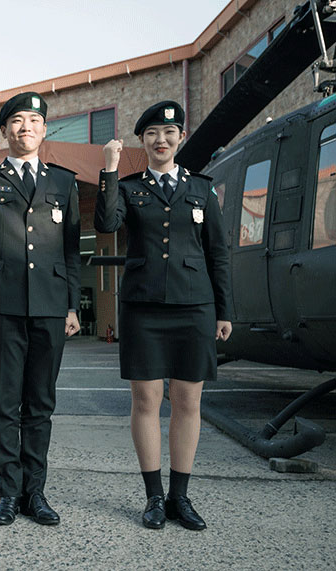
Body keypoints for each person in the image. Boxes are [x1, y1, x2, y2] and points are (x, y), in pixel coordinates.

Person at [95, 100, 233, 531]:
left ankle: (180, 497)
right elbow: (106, 223)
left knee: (188, 401)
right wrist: (110, 170)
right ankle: (154, 497)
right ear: (142, 140)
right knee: (146, 401)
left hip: (195, 307)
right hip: (143, 307)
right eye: (152, 133)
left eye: (169, 133)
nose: (161, 140)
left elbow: (218, 253)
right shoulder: (129, 188)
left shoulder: (202, 189)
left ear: (181, 138)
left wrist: (224, 310)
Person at [0, 92, 81, 526]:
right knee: (6, 402)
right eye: (16, 121)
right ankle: (7, 493)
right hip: (5, 301)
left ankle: (35, 493)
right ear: (5, 130)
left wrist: (72, 305)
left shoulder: (63, 181)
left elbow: (71, 250)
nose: (25, 127)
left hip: (51, 301)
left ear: (44, 129)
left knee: (41, 403)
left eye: (33, 120)